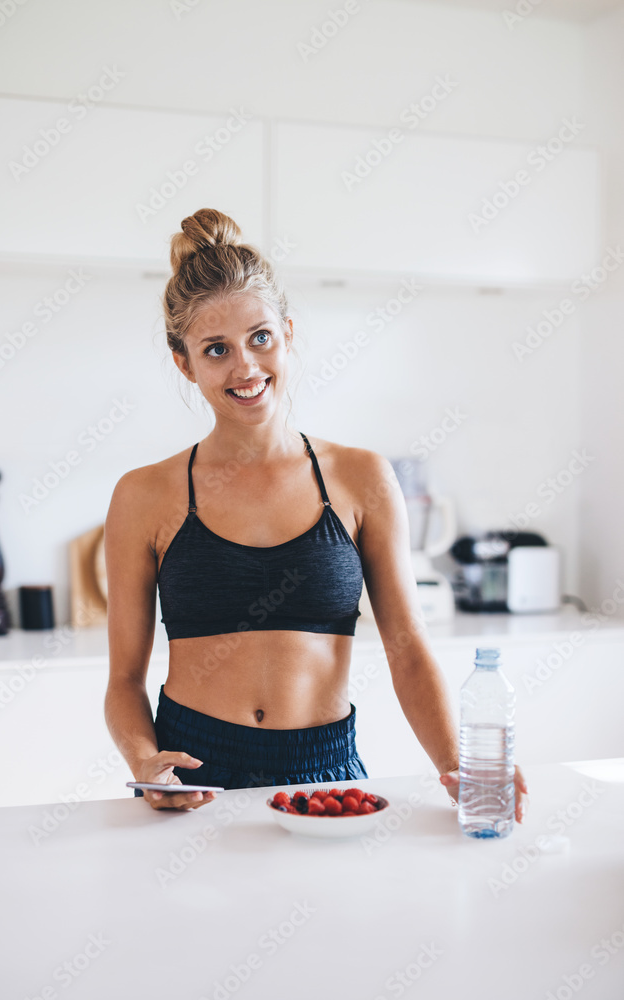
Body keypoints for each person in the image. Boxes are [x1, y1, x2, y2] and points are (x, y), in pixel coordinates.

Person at [103, 207, 528, 820]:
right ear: (184, 362)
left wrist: (459, 765)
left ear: (288, 333)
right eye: (216, 349)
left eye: (261, 337)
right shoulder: (143, 495)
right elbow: (123, 682)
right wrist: (147, 764)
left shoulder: (361, 478)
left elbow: (408, 651)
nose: (245, 367)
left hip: (324, 774)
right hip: (193, 778)